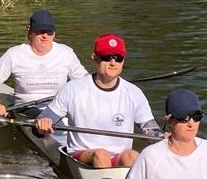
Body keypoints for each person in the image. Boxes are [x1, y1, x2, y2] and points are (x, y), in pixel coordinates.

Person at [34, 33, 161, 168]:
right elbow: (39, 126)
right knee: (101, 155)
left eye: (118, 58)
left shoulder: (133, 92)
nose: (113, 63)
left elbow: (151, 130)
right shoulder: (73, 89)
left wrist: (165, 139)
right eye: (107, 57)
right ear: (95, 58)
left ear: (123, 61)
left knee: (132, 156)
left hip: (119, 159)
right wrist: (42, 125)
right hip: (83, 156)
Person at [0, 9, 88, 116]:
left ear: (54, 33)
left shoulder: (66, 53)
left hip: (59, 108)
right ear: (30, 31)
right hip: (26, 108)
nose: (45, 36)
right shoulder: (14, 54)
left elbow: (85, 81)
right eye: (40, 31)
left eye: (49, 31)